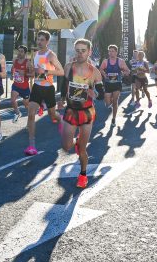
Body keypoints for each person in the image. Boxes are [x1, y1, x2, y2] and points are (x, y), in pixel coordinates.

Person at [59, 39, 104, 188]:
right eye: (77, 50)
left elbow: (102, 94)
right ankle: (75, 141)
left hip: (87, 113)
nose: (80, 53)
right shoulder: (68, 67)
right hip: (71, 110)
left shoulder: (95, 72)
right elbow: (64, 85)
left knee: (82, 150)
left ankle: (83, 175)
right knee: (66, 147)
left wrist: (94, 93)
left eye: (83, 50)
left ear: (89, 52)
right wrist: (62, 99)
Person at [25, 31, 64, 155]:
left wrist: (46, 71)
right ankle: (32, 146)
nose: (39, 42)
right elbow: (34, 74)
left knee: (53, 116)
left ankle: (61, 119)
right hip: (37, 87)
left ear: (47, 41)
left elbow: (61, 72)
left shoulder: (50, 55)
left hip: (48, 89)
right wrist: (29, 71)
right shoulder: (35, 54)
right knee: (31, 114)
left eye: (42, 40)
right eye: (38, 39)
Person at [99, 45, 131, 127]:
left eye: (113, 51)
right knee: (107, 102)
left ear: (116, 52)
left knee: (115, 100)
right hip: (108, 84)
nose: (111, 53)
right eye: (109, 51)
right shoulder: (105, 61)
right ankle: (109, 103)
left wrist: (124, 73)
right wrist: (104, 74)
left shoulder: (120, 61)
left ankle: (113, 118)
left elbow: (128, 70)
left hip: (117, 84)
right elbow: (101, 69)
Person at [10, 45, 32, 124]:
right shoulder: (15, 60)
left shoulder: (28, 62)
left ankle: (30, 121)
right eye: (18, 51)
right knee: (12, 100)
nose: (19, 53)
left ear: (25, 53)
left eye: (21, 51)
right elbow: (13, 68)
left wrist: (25, 73)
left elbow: (32, 74)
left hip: (25, 88)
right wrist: (11, 75)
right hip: (16, 85)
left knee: (26, 105)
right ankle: (17, 113)